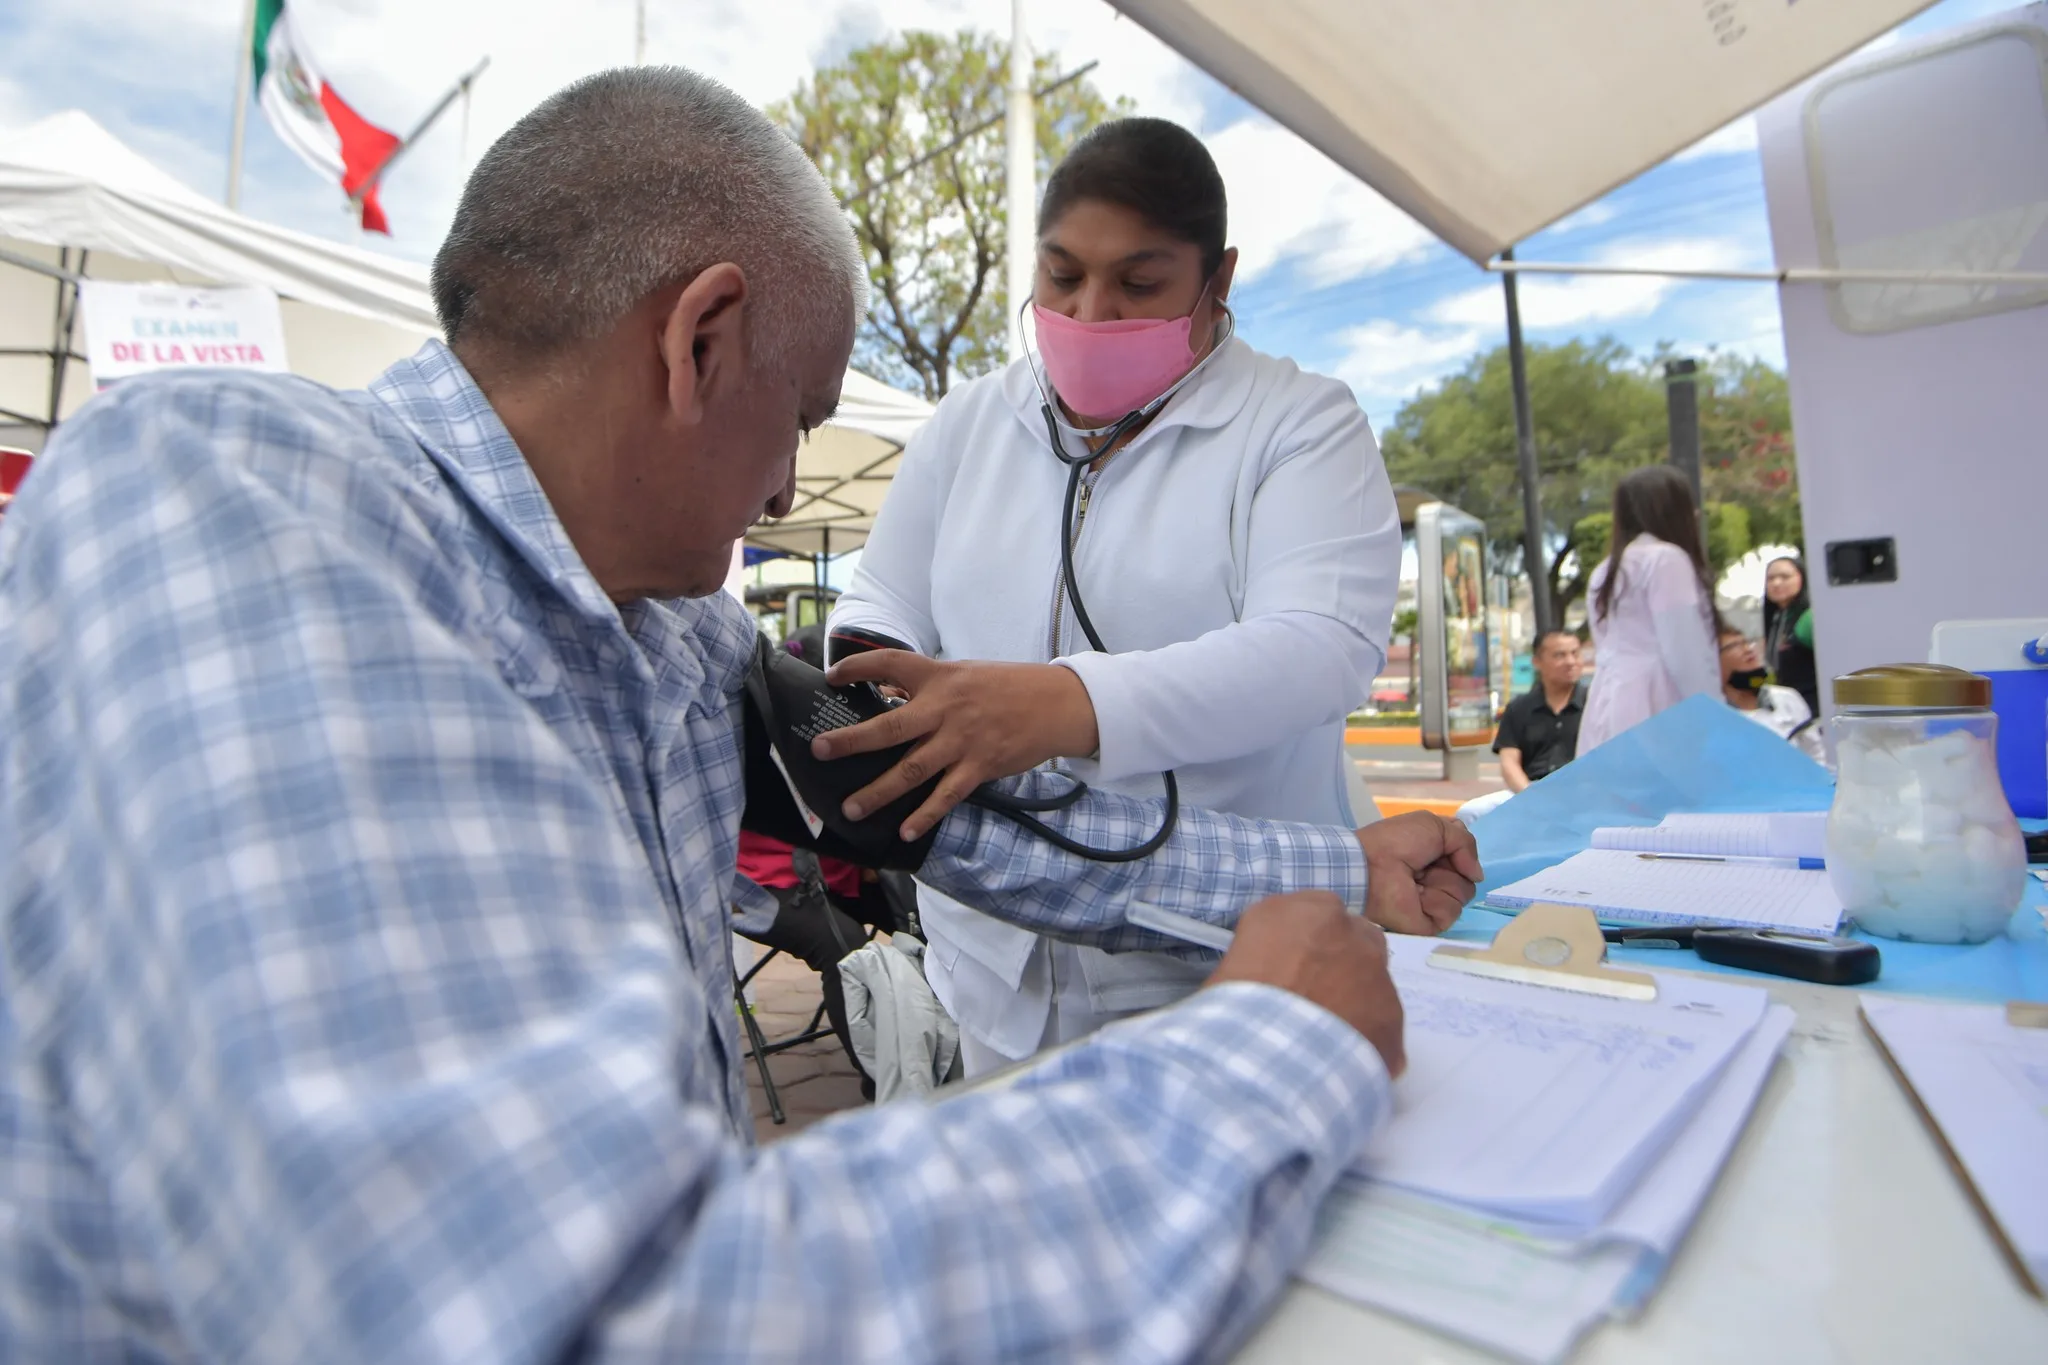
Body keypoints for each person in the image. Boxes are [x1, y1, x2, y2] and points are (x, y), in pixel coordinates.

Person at [0, 69, 1485, 1363]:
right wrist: (1267, 1057)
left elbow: (932, 796)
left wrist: (1337, 874)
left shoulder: (666, 633)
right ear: (700, 341)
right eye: (798, 411)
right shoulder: (230, 496)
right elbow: (590, 1316)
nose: (785, 491)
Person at [820, 116, 1409, 1077]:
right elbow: (882, 596)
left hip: (1217, 956)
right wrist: (881, 681)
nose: (1091, 314)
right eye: (1061, 276)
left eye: (1139, 285)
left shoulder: (1300, 424)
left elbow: (1320, 645)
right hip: (991, 951)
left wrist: (1064, 705)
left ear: (1217, 280)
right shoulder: (971, 420)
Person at [1577, 465, 1723, 754]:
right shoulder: (1667, 560)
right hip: (1658, 699)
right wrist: (1714, 714)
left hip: (1608, 699)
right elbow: (1684, 650)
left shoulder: (1605, 570)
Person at [1719, 625, 1828, 764]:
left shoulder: (1786, 698)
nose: (1748, 650)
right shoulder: (1714, 715)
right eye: (1734, 646)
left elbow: (1815, 752)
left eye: (1746, 642)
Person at [1493, 630, 1587, 792]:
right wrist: (1529, 796)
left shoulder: (1595, 704)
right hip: (1530, 790)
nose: (1571, 661)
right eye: (1560, 655)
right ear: (1537, 662)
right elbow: (1509, 762)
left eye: (1575, 653)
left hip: (1582, 791)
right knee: (1472, 810)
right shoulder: (1519, 707)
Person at [1762, 555, 1820, 717]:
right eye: (1770, 578)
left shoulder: (1809, 619)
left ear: (1802, 578)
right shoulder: (1776, 619)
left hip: (1815, 714)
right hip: (1790, 713)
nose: (1776, 583)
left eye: (1785, 577)